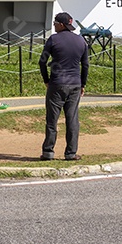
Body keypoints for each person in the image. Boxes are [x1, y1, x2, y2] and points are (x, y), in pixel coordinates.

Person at [38, 12, 88, 161]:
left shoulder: (53, 39)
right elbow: (85, 65)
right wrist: (83, 84)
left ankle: (48, 152)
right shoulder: (80, 41)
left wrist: (46, 79)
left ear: (61, 24)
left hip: (57, 83)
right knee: (72, 119)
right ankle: (71, 153)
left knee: (52, 119)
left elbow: (42, 61)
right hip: (74, 84)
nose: (54, 25)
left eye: (55, 23)